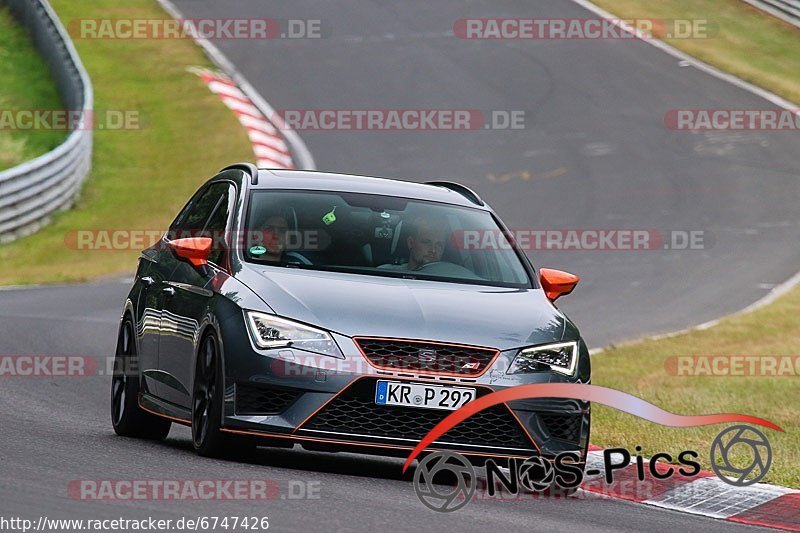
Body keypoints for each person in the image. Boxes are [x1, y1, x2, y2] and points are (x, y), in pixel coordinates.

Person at [380, 216, 448, 271]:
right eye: (426, 242)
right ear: (410, 243)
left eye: (439, 245)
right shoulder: (385, 274)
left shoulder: (451, 280)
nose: (433, 250)